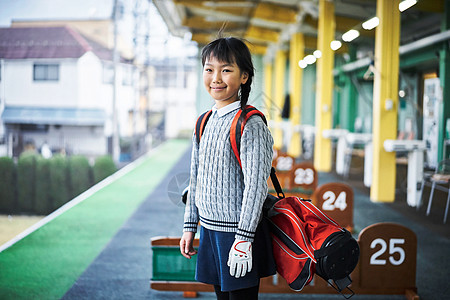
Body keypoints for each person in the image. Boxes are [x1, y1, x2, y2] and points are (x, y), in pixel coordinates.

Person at [179, 37, 276, 300]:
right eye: (209, 69)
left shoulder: (250, 123)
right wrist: (190, 227)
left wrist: (244, 238)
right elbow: (195, 179)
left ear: (244, 76)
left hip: (238, 233)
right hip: (210, 230)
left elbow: (257, 186)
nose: (216, 78)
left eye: (226, 70)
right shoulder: (204, 122)